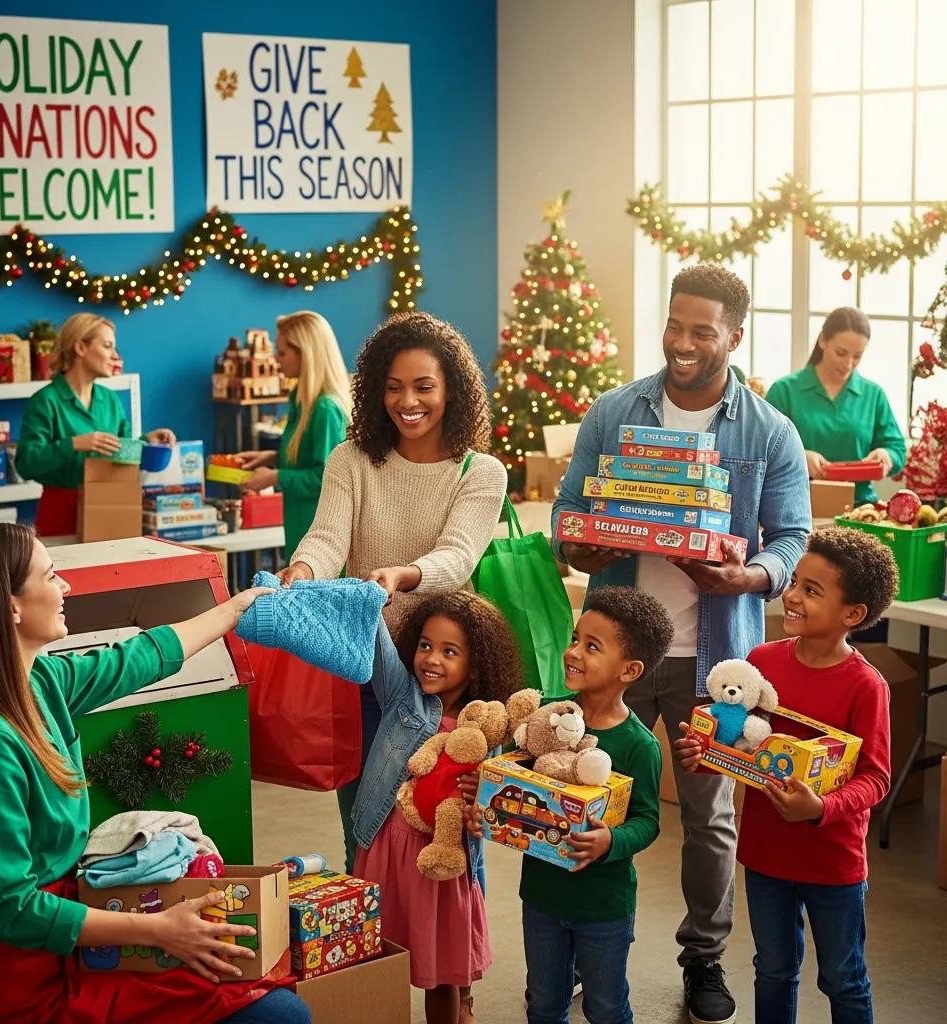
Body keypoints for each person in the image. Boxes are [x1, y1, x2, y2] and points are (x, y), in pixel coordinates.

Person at [551, 263, 811, 1024]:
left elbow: (793, 535)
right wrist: (581, 546)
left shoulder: (768, 431)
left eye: (703, 330)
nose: (684, 343)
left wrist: (753, 577)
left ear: (735, 334)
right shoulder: (613, 412)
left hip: (714, 662)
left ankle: (704, 956)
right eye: (675, 324)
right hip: (613, 659)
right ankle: (584, 947)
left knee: (710, 819)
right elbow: (570, 511)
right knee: (585, 794)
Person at [0, 522, 310, 1024]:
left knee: (268, 1000)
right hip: (12, 978)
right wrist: (159, 931)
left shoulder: (37, 678)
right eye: (51, 575)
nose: (66, 587)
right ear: (10, 606)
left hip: (73, 937)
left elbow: (134, 659)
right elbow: (10, 909)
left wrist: (234, 610)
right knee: (276, 1015)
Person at [275, 312, 507, 876]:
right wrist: (301, 573)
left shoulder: (481, 472)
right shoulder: (351, 459)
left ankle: (447, 956)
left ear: (451, 390)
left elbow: (458, 556)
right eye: (394, 386)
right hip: (362, 662)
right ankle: (372, 947)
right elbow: (328, 536)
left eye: (424, 386)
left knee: (443, 821)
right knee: (367, 820)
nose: (409, 401)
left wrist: (403, 574)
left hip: (443, 673)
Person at [259, 586, 524, 1024]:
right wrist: (373, 597)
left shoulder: (488, 737)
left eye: (449, 651)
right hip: (382, 848)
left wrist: (480, 808)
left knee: (442, 975)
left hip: (437, 868)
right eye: (425, 645)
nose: (432, 659)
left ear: (477, 663)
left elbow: (487, 819)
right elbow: (379, 649)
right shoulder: (404, 697)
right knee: (374, 953)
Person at [674, 526, 897, 1024]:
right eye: (794, 580)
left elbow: (875, 778)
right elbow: (738, 740)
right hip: (766, 855)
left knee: (843, 976)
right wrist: (704, 749)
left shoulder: (866, 687)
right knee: (772, 969)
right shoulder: (760, 663)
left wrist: (821, 808)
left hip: (834, 863)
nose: (791, 595)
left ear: (853, 615)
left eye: (811, 590)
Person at [485, 586, 672, 1024]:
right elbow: (512, 778)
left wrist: (611, 840)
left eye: (592, 646)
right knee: (544, 1002)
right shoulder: (548, 716)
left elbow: (648, 821)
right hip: (542, 897)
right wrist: (489, 807)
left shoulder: (639, 745)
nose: (573, 652)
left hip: (604, 905)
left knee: (605, 1006)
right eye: (574, 639)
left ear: (630, 670)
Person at [16, 313, 176, 538]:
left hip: (109, 507)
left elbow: (122, 451)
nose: (115, 356)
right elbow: (26, 464)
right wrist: (73, 444)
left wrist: (146, 442)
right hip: (59, 512)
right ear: (80, 348)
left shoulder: (110, 399)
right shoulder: (45, 401)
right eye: (107, 346)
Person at [232, 311, 351, 556]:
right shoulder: (300, 401)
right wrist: (272, 456)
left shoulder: (325, 409)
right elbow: (308, 458)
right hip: (299, 531)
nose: (276, 359)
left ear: (305, 355)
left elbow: (327, 478)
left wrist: (275, 477)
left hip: (321, 539)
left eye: (282, 352)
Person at [765, 307, 906, 506]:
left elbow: (897, 449)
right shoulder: (784, 391)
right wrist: (798, 457)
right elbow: (761, 450)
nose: (848, 364)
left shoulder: (873, 395)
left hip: (860, 509)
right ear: (823, 340)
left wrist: (887, 456)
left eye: (857, 356)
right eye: (841, 353)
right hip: (797, 507)